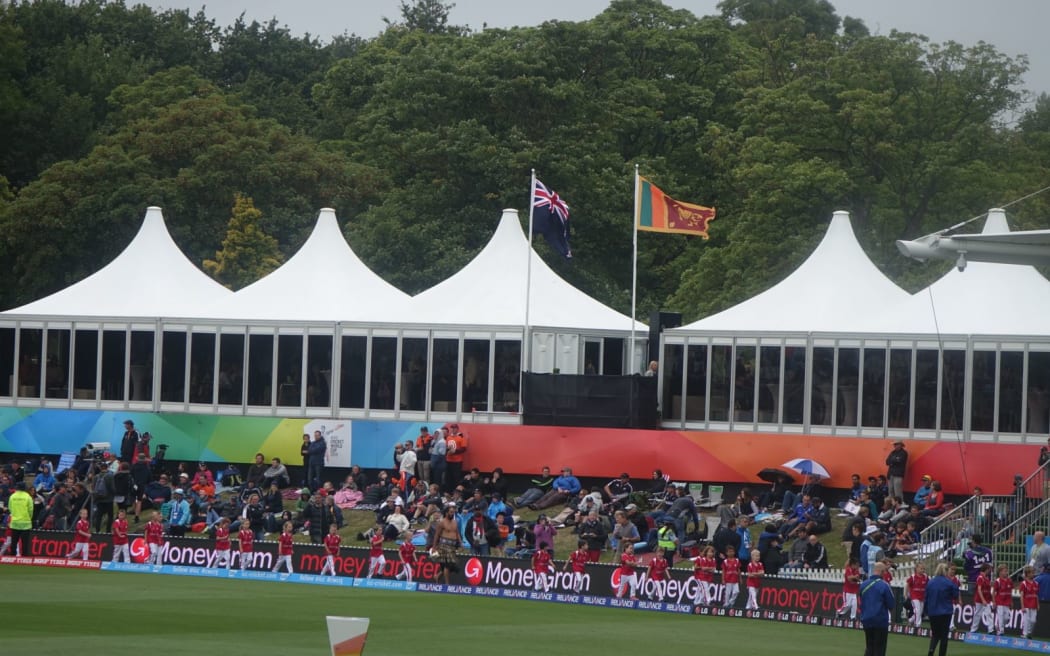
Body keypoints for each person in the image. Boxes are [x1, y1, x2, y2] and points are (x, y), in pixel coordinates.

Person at [860, 562, 896, 656]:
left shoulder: (863, 585)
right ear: (882, 572)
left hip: (866, 619)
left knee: (869, 647)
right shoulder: (884, 585)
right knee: (879, 649)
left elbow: (861, 600)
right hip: (880, 620)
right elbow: (891, 604)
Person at [925, 562, 959, 656]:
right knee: (944, 636)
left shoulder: (930, 582)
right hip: (945, 611)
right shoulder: (949, 582)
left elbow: (926, 597)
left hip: (933, 612)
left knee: (935, 634)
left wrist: (926, 611)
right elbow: (955, 594)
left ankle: (931, 650)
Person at [430, 505, 460, 584]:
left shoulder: (455, 522)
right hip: (444, 546)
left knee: (453, 566)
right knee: (447, 565)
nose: (452, 514)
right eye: (450, 512)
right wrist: (434, 547)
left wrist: (460, 543)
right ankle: (447, 584)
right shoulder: (442, 522)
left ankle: (438, 576)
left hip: (452, 546)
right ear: (446, 513)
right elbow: (437, 535)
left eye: (453, 512)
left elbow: (457, 533)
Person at [7, 481, 33, 558]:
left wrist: (15, 516)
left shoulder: (12, 496)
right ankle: (24, 558)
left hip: (15, 522)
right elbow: (31, 510)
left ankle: (12, 557)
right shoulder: (28, 497)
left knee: (14, 542)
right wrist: (29, 518)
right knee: (25, 542)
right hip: (25, 523)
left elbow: (10, 508)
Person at [970, 562, 995, 634]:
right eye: (989, 569)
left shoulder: (986, 578)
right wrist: (983, 600)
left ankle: (991, 629)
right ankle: (973, 629)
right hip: (980, 599)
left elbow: (987, 589)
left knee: (988, 613)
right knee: (978, 614)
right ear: (986, 569)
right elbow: (979, 589)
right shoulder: (980, 578)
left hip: (986, 599)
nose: (990, 571)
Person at [444, 424, 467, 491]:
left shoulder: (461, 438)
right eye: (452, 428)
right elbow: (446, 447)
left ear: (457, 429)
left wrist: (455, 451)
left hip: (457, 461)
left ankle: (456, 492)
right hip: (448, 460)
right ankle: (449, 491)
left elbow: (464, 449)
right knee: (448, 477)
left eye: (454, 428)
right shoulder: (448, 438)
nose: (453, 430)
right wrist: (448, 450)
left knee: (456, 478)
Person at [906, 562, 929, 628]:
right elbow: (907, 584)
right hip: (914, 596)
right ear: (916, 569)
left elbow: (928, 584)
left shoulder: (925, 577)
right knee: (917, 610)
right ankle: (917, 624)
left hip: (922, 597)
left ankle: (910, 620)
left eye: (923, 569)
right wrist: (907, 593)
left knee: (920, 612)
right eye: (921, 568)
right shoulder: (913, 577)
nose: (922, 570)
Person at [993, 563, 1014, 635]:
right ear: (1000, 572)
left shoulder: (1009, 581)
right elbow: (994, 592)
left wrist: (1011, 601)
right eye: (1004, 571)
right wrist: (994, 602)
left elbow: (1010, 592)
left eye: (1006, 571)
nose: (1006, 573)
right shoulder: (997, 581)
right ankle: (1001, 631)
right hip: (999, 601)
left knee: (1007, 618)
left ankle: (998, 625)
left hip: (1007, 602)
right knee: (1001, 616)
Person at [1020, 565, 1040, 639]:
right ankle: (1025, 634)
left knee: (1033, 620)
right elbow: (1022, 595)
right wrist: (1022, 606)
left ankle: (1029, 632)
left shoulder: (1036, 583)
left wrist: (1038, 604)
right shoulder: (1024, 583)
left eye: (1033, 572)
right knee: (1026, 620)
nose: (1033, 574)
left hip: (1034, 604)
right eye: (1032, 573)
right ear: (1027, 574)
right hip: (1026, 604)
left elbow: (1036, 595)